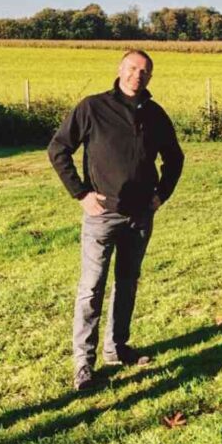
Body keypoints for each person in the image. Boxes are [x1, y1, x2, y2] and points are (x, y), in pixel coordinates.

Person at [48, 50, 184, 391]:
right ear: (120, 69)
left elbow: (174, 158)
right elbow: (58, 149)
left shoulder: (155, 114)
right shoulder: (93, 108)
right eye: (132, 68)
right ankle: (83, 363)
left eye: (145, 71)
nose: (138, 75)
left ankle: (116, 347)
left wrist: (161, 195)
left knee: (127, 282)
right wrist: (81, 193)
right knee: (91, 288)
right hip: (102, 214)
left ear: (150, 77)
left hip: (140, 215)